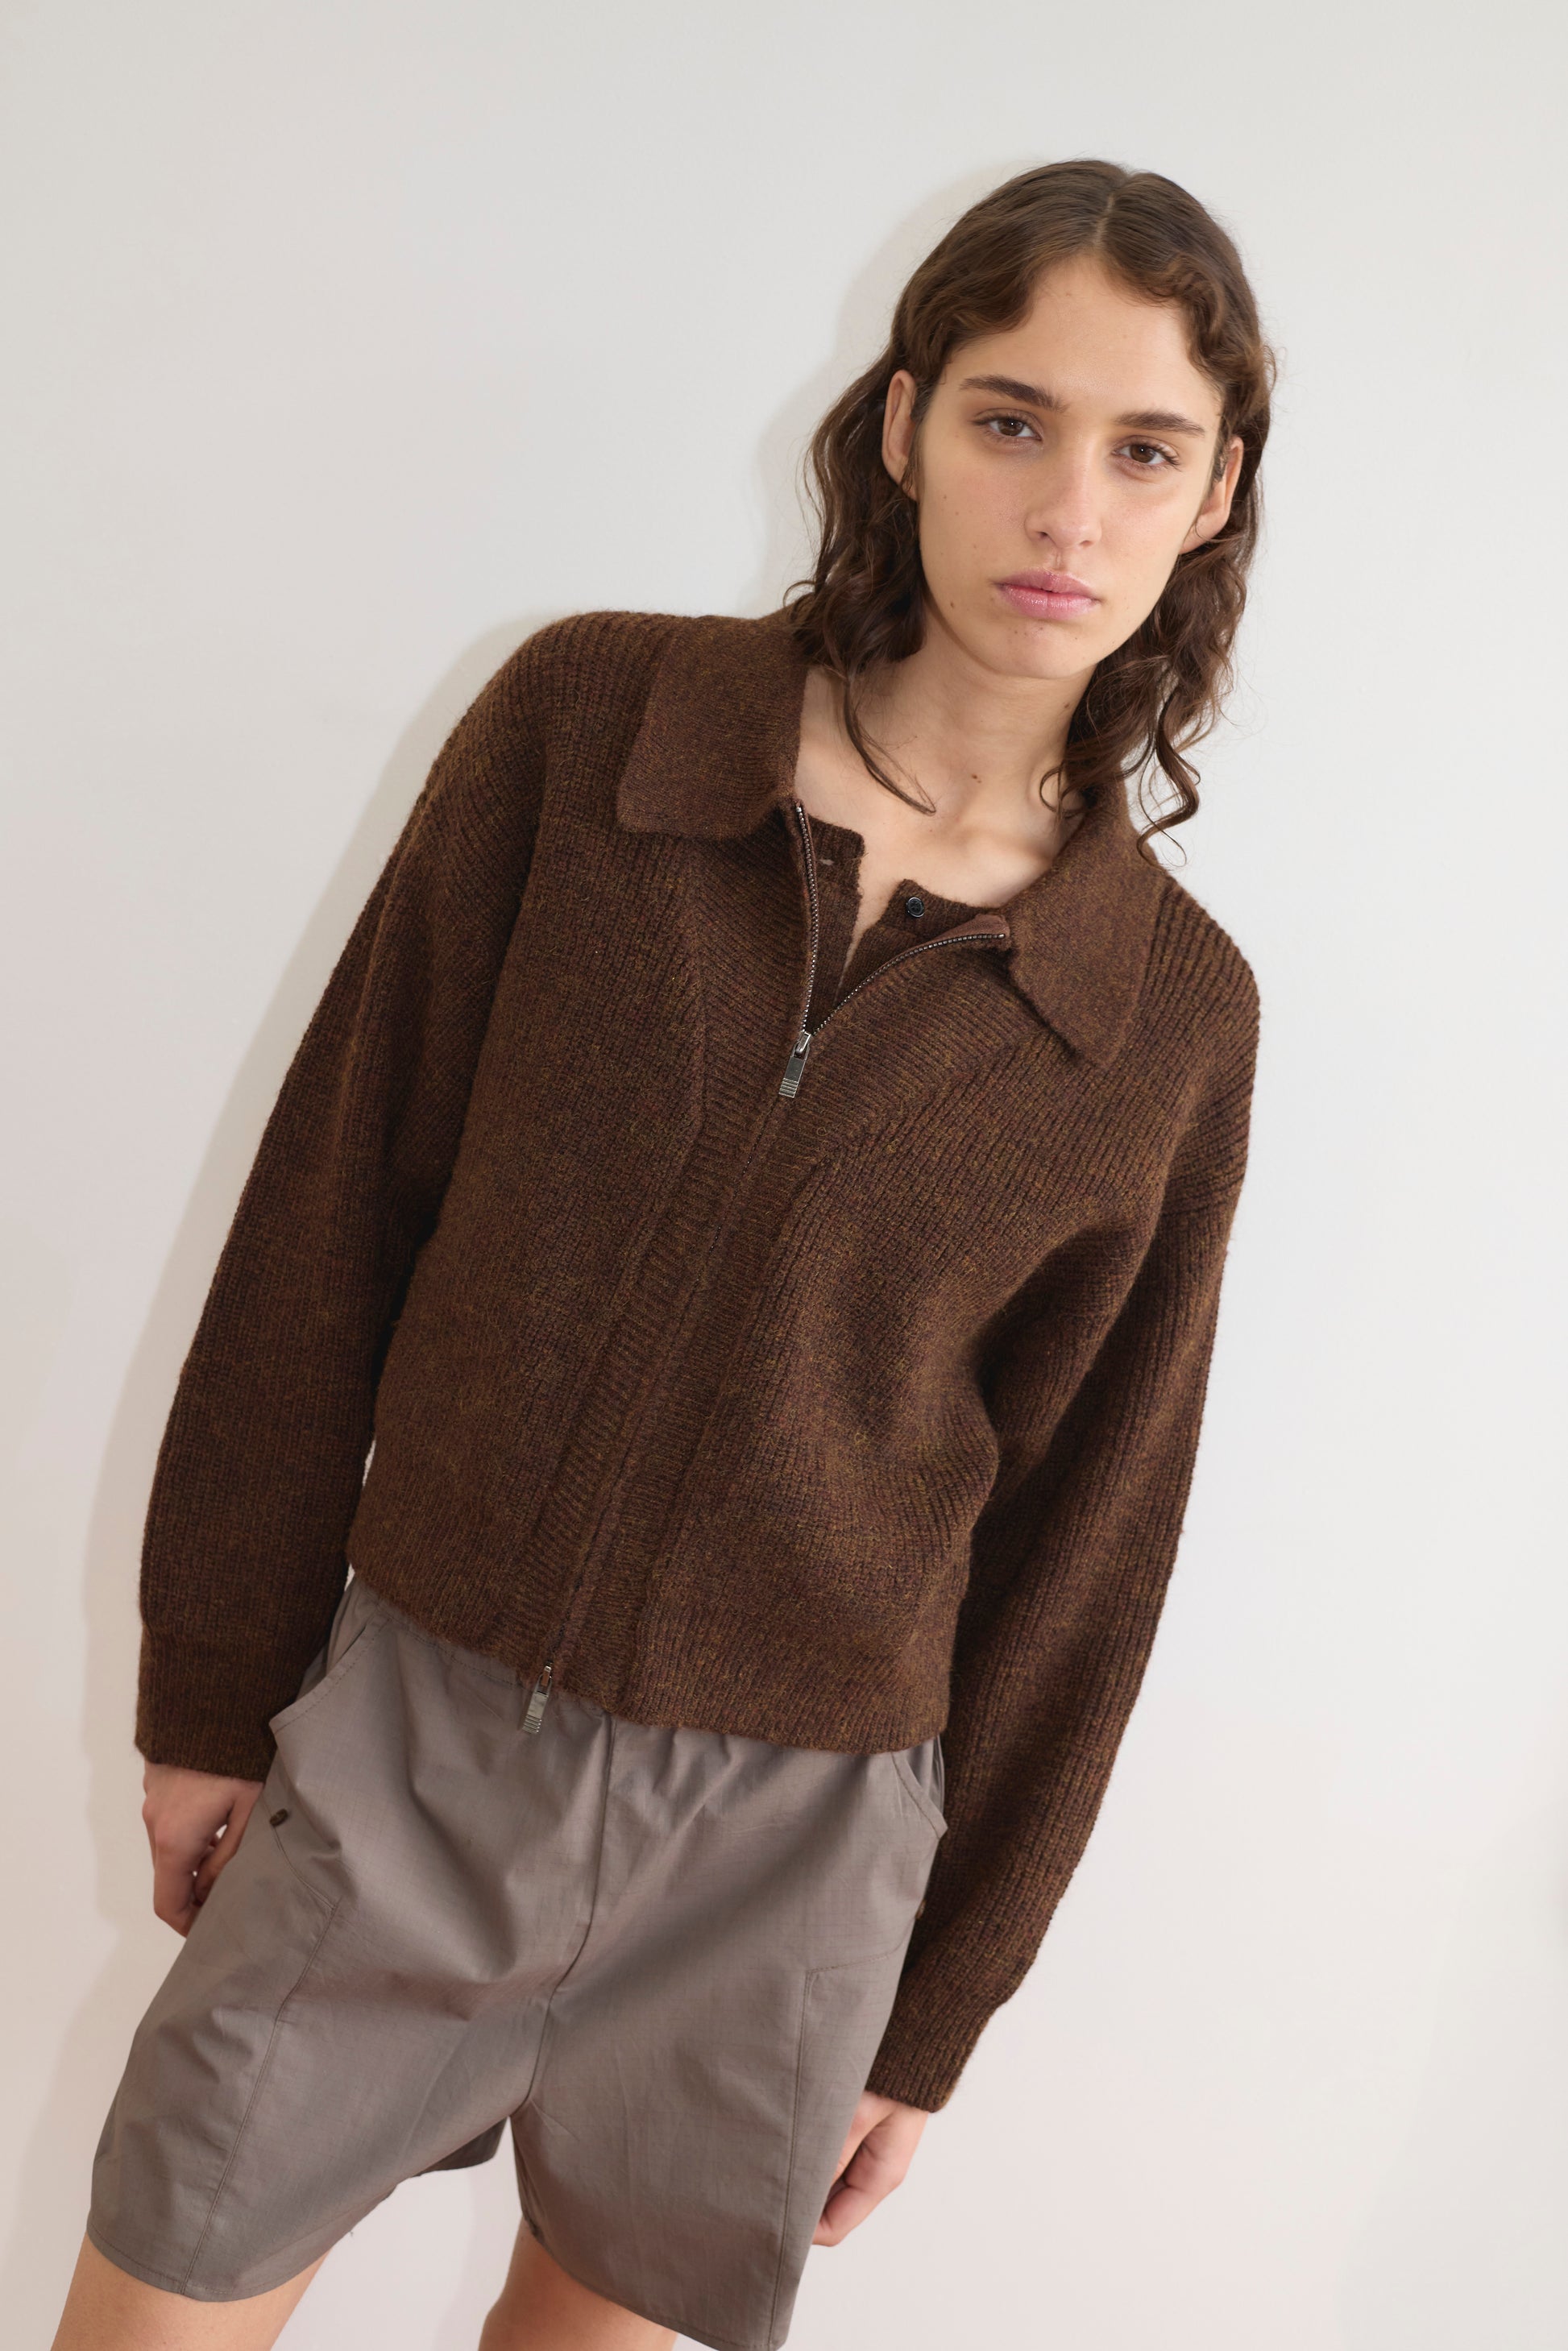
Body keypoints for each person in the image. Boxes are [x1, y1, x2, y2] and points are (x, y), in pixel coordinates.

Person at [52, 156, 1272, 2351]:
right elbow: (331, 1208)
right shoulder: (592, 727)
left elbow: (1091, 1541)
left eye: (1141, 449)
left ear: (1209, 497)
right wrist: (210, 1688)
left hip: (791, 1865)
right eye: (1011, 419)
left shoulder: (1164, 1014)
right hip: (417, 1741)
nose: (1066, 506)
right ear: (898, 424)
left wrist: (936, 2004)